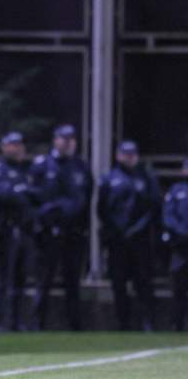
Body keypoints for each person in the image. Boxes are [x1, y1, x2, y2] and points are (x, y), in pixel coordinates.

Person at [28, 125, 87, 330]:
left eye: (72, 139)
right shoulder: (42, 165)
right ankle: (37, 324)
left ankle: (75, 325)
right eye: (65, 139)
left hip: (72, 231)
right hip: (47, 232)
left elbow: (84, 198)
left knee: (72, 281)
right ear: (56, 141)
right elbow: (33, 197)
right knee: (43, 280)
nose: (69, 143)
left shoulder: (80, 167)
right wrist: (47, 215)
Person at [98, 140, 160, 331]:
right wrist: (116, 230)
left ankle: (147, 321)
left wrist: (138, 228)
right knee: (119, 283)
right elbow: (102, 209)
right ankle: (123, 322)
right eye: (126, 154)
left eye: (132, 154)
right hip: (117, 240)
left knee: (143, 282)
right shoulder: (109, 178)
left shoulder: (146, 177)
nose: (129, 157)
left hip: (140, 240)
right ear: (118, 155)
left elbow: (153, 207)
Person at [0, 132, 33, 332]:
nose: (17, 148)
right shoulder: (0, 168)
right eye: (12, 145)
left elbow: (36, 194)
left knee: (21, 278)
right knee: (4, 278)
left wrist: (22, 192)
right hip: (5, 229)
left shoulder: (27, 168)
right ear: (4, 147)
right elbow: (1, 193)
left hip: (24, 228)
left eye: (19, 144)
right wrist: (21, 193)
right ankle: (1, 322)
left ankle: (18, 321)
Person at [162, 158, 188, 331]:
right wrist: (183, 233)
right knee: (179, 287)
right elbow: (168, 216)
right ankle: (176, 324)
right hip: (181, 246)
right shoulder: (176, 190)